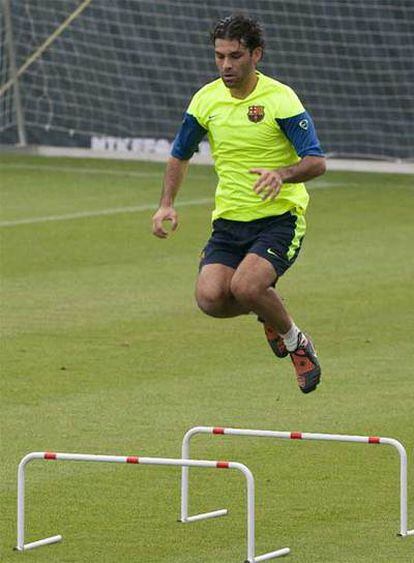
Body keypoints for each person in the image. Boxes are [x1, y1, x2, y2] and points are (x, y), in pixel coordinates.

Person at [152, 14, 326, 393]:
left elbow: (316, 161)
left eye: (235, 56)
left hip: (280, 218)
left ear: (256, 55)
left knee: (247, 287)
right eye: (219, 57)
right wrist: (166, 203)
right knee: (211, 299)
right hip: (229, 221)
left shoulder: (281, 98)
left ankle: (297, 342)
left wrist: (281, 174)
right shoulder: (206, 99)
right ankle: (268, 314)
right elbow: (180, 154)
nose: (226, 66)